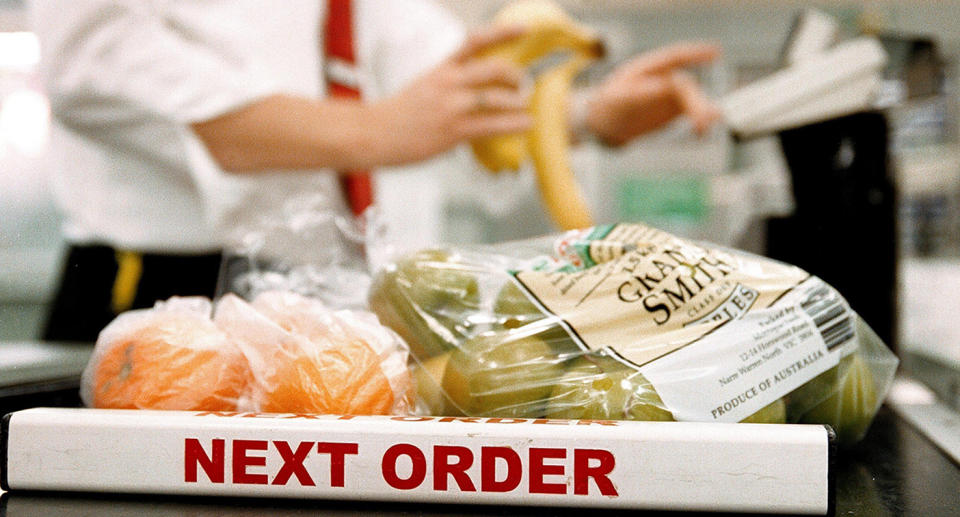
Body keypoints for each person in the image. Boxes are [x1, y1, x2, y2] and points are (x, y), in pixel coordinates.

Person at [31, 0, 720, 342]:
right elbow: (96, 69)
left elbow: (440, 80)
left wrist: (589, 115)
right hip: (154, 295)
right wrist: (379, 131)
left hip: (318, 304)